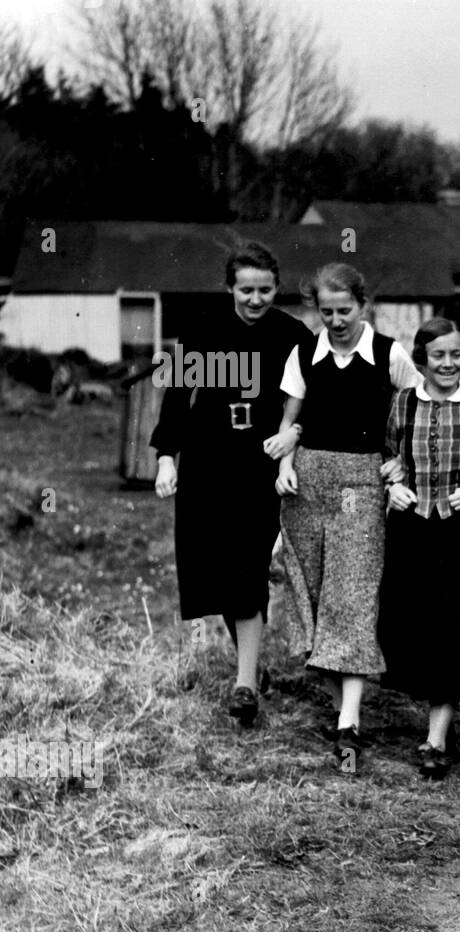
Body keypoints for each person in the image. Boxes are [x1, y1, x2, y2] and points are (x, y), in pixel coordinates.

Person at [151, 241, 309, 726]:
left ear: (276, 288)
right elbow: (178, 399)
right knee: (213, 571)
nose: (256, 299)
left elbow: (307, 403)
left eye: (265, 290)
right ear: (229, 288)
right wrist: (165, 459)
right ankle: (250, 665)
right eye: (246, 290)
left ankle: (244, 686)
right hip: (206, 461)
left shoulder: (294, 335)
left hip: (259, 465)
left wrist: (293, 439)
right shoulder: (202, 329)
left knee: (246, 566)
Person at [273, 263, 420, 769]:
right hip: (307, 484)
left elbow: (419, 412)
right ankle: (343, 708)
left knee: (351, 597)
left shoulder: (388, 354)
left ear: (363, 304)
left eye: (345, 310)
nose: (336, 321)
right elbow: (291, 420)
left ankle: (349, 723)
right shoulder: (303, 354)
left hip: (362, 485)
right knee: (311, 596)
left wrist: (402, 462)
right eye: (326, 311)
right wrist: (286, 465)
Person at [378, 318, 460, 780]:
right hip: (412, 525)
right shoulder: (402, 403)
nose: (449, 364)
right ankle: (437, 718)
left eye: (456, 354)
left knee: (456, 623)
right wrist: (393, 484)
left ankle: (436, 738)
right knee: (415, 622)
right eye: (439, 356)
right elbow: (387, 452)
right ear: (422, 358)